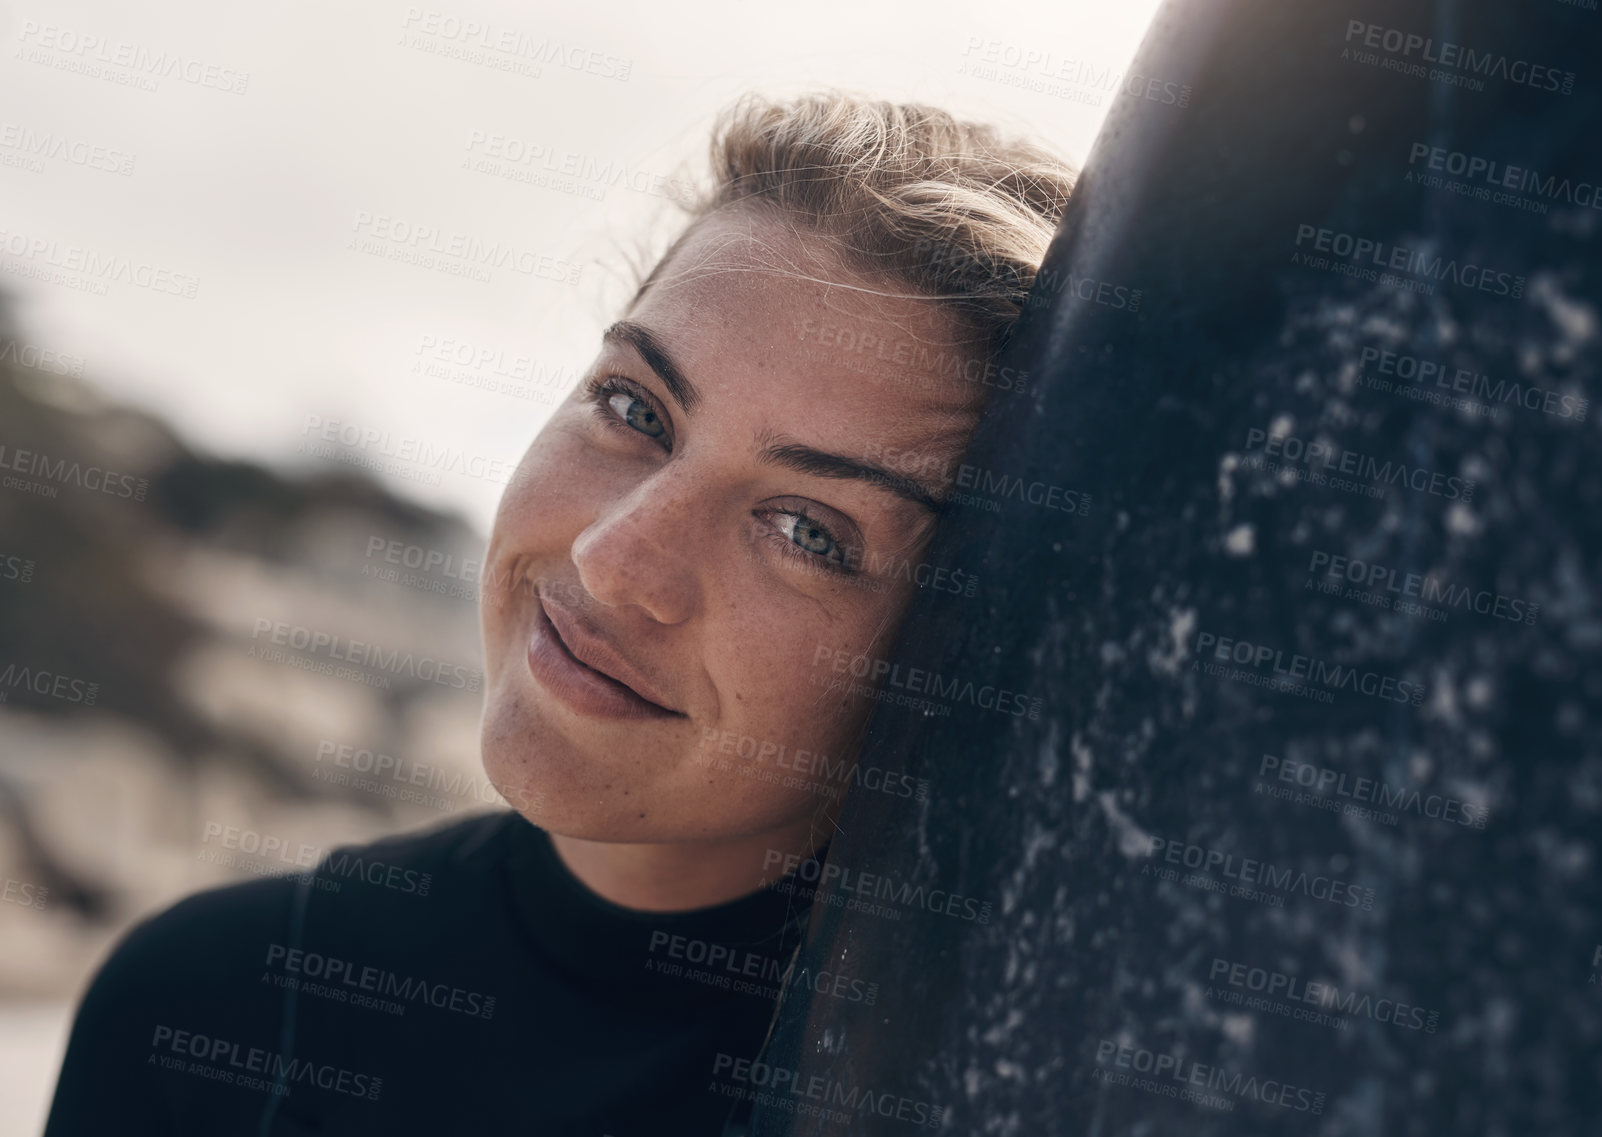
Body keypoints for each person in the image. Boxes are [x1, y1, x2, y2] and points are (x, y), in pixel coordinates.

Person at [43, 90, 1076, 1136]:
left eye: (807, 529)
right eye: (635, 409)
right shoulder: (206, 1012)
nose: (614, 557)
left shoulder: (1007, 1096)